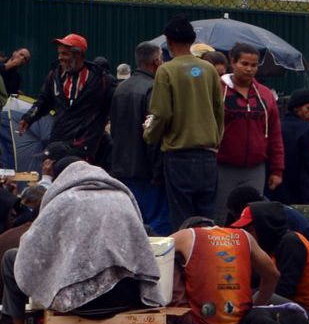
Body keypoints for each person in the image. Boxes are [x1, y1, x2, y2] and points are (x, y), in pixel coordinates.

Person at [2, 159, 164, 324]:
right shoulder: (123, 198)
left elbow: (32, 250)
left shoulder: (63, 201)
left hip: (77, 302)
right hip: (128, 297)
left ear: (62, 179)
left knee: (11, 258)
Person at [145, 16, 225, 230]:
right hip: (208, 156)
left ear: (169, 41)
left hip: (178, 156)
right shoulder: (209, 69)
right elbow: (219, 110)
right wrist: (215, 140)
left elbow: (161, 113)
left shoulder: (166, 70)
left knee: (183, 220)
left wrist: (149, 134)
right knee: (207, 220)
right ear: (192, 40)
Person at [172, 216, 279, 324]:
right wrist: (256, 308)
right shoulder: (244, 236)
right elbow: (273, 274)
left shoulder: (186, 235)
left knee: (167, 260)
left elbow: (157, 248)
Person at [233, 202, 309, 324]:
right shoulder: (270, 246)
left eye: (249, 229)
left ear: (264, 226)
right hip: (297, 307)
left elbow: (283, 290)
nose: (246, 235)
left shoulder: (291, 242)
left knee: (258, 296)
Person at [19, 33, 114, 165]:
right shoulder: (55, 76)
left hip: (84, 146)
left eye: (64, 54)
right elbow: (43, 101)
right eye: (59, 53)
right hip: (59, 141)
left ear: (78, 54)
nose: (60, 57)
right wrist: (29, 117)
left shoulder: (100, 80)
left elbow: (112, 106)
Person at [216, 43, 284, 223]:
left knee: (253, 216)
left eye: (254, 65)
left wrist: (277, 170)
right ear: (233, 62)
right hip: (223, 167)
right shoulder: (217, 90)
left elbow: (275, 134)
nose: (249, 69)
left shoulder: (265, 95)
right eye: (244, 64)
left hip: (255, 168)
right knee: (221, 215)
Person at [109, 41, 169, 235]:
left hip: (122, 168)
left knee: (129, 224)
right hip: (147, 171)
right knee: (156, 228)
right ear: (156, 61)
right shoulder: (153, 89)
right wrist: (158, 171)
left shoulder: (121, 88)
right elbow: (152, 133)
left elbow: (114, 130)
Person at [275, 89, 309, 206]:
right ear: (296, 108)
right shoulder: (306, 130)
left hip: (277, 190)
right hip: (300, 192)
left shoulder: (277, 125)